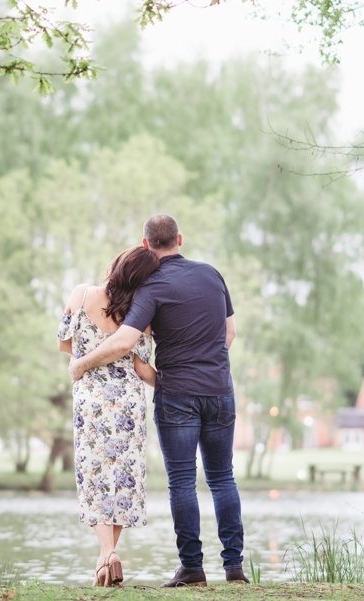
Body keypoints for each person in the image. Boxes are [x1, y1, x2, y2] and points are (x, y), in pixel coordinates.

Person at [68, 214, 248, 588]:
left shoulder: (150, 287)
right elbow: (229, 332)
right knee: (222, 478)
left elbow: (123, 341)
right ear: (180, 239)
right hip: (219, 390)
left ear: (146, 244)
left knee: (182, 481)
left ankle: (192, 569)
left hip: (176, 393)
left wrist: (81, 364)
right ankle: (234, 568)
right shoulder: (212, 275)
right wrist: (206, 361)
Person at [57, 246, 158, 587]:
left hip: (90, 398)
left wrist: (86, 358)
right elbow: (142, 369)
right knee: (123, 477)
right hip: (128, 401)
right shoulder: (139, 315)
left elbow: (64, 345)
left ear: (116, 265)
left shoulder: (81, 294)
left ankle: (106, 557)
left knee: (94, 475)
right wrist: (176, 384)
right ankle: (108, 556)